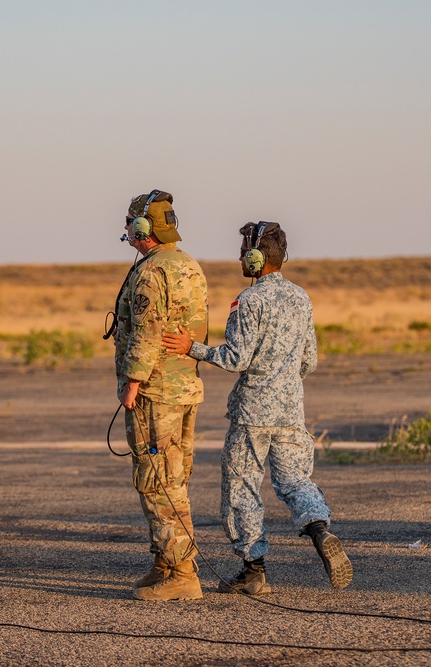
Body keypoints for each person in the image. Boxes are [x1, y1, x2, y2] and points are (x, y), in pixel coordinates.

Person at [162, 221, 352, 594]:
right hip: (291, 411)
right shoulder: (301, 297)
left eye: (242, 252)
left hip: (252, 414)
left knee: (242, 488)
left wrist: (192, 348)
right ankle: (319, 528)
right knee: (295, 480)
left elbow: (235, 358)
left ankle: (253, 569)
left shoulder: (249, 301)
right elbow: (309, 361)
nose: (238, 257)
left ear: (255, 257)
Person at [111, 189, 209, 601]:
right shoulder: (187, 265)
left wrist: (132, 383)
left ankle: (182, 573)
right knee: (173, 477)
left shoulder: (152, 272)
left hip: (157, 392)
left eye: (131, 225)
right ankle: (167, 562)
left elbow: (148, 332)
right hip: (183, 388)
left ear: (142, 228)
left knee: (158, 481)